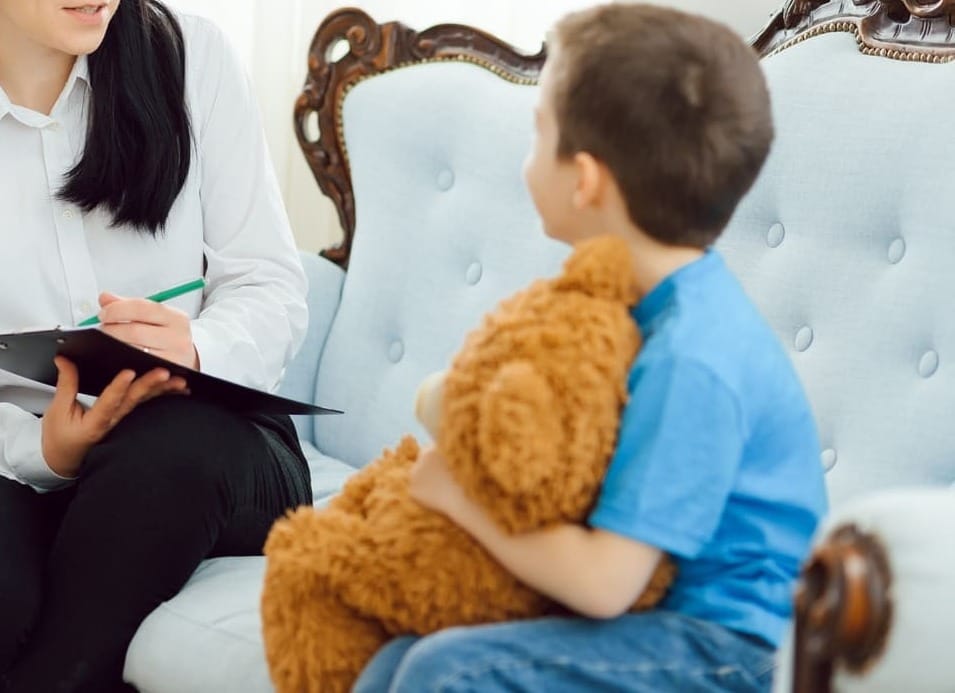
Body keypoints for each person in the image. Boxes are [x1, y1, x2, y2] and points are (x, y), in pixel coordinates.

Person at [354, 4, 829, 692]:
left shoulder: (692, 352)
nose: (527, 157)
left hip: (731, 650)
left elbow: (605, 584)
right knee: (396, 657)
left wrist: (459, 496)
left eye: (537, 133)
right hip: (664, 621)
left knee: (444, 669)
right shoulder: (631, 310)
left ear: (584, 179)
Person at [0, 1, 312, 691]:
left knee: (167, 453)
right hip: (16, 453)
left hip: (208, 443)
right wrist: (43, 451)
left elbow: (268, 283)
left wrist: (198, 346)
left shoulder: (190, 57)